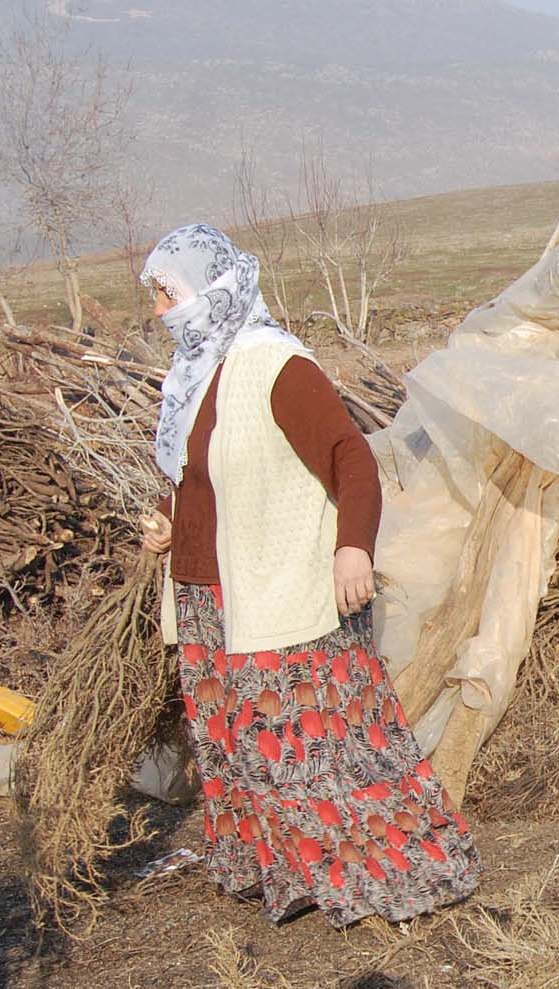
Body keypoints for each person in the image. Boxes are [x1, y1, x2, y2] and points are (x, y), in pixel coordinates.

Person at [138, 224, 479, 926]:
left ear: (210, 289)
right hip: (206, 595)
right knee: (234, 747)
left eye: (167, 293)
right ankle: (280, 874)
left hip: (275, 591)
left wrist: (352, 546)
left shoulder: (274, 365)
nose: (160, 310)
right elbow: (202, 477)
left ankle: (363, 869)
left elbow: (351, 460)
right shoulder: (194, 375)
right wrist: (174, 526)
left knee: (305, 748)